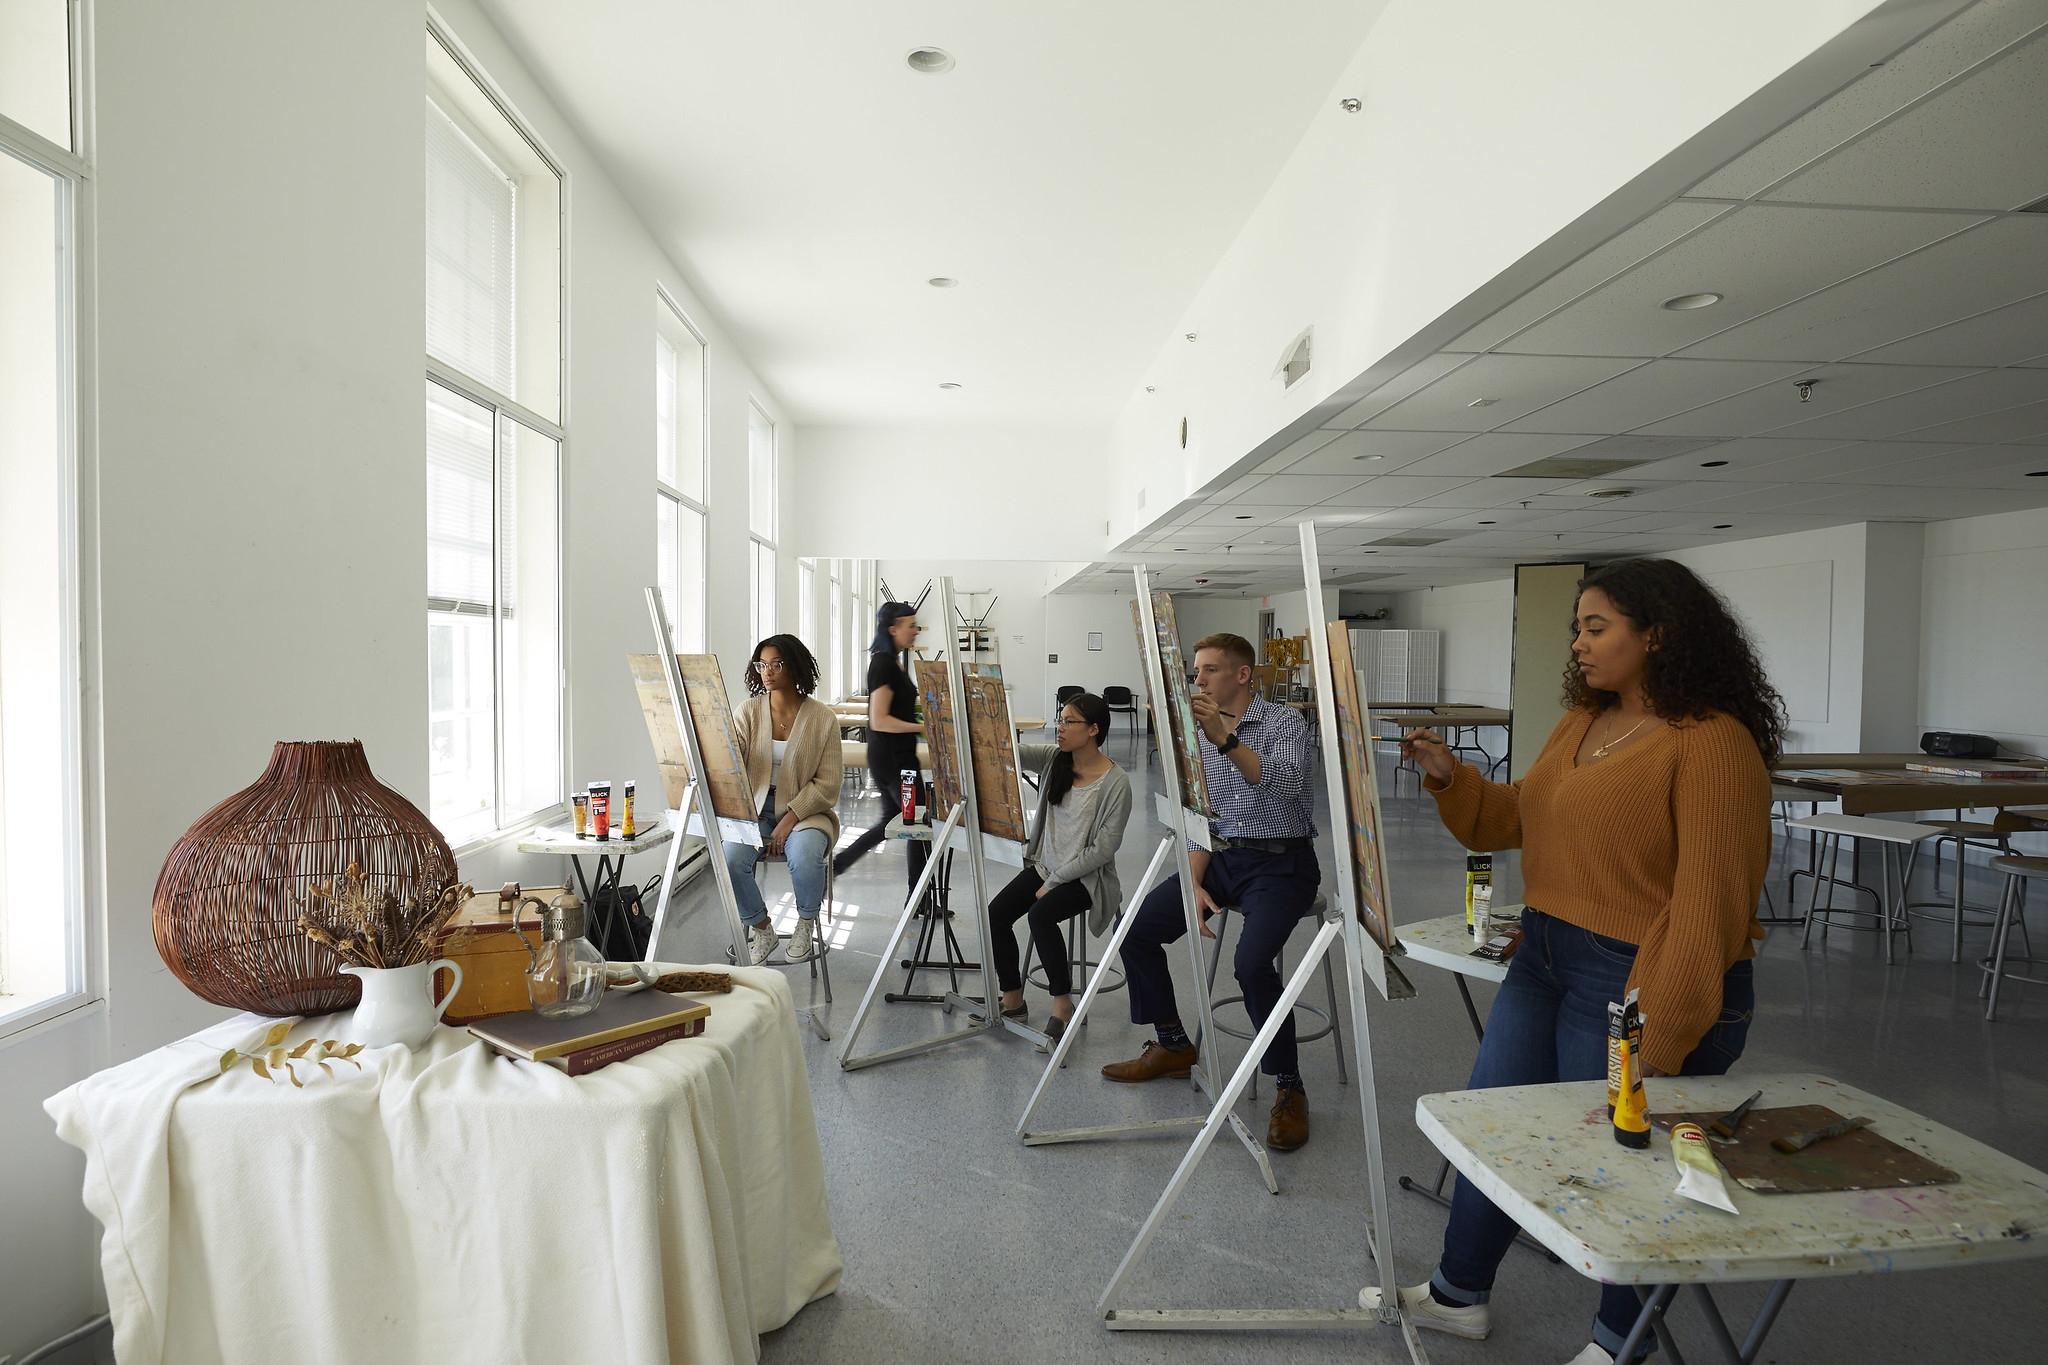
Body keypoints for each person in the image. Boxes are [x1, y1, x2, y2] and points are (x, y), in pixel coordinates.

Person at [1361, 558, 1782, 1365]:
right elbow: (1518, 815)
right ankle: (1459, 1295)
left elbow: (1710, 906)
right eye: (1577, 630)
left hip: (1636, 977)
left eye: (1598, 628)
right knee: (1496, 1128)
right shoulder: (1582, 722)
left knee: (1614, 1157)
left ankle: (1620, 1342)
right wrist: (1453, 777)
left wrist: (1651, 1042)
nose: (1580, 646)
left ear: (1658, 634)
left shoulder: (1713, 745)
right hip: (1548, 952)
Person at [1102, 632, 1320, 1152]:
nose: (1197, 680)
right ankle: (1175, 1044)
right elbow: (1200, 814)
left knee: (1250, 965)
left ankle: (1288, 1084)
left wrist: (1226, 737)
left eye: (1209, 671)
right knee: (1133, 929)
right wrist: (1195, 879)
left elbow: (1281, 785)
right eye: (1195, 671)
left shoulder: (1286, 723)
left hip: (1281, 862)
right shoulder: (1198, 735)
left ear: (1242, 675)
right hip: (1223, 857)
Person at [991, 693, 1132, 1044]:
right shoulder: (1056, 759)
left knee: (1040, 915)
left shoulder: (1116, 783)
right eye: (1060, 720)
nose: (1060, 728)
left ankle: (1062, 1004)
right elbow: (1007, 750)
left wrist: (1056, 880)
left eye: (1069, 722)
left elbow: (1104, 849)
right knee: (996, 914)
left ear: (1094, 730)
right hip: (1045, 867)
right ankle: (1013, 998)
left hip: (1085, 878)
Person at [725, 634, 842, 965]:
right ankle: (762, 928)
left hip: (807, 812)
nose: (767, 672)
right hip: (754, 811)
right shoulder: (748, 712)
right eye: (762, 664)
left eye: (776, 664)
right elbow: (730, 761)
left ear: (796, 666)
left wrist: (790, 819)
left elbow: (829, 784)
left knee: (806, 856)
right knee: (730, 859)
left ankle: (806, 924)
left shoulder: (822, 718)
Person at [831, 602, 928, 887]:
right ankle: (919, 897)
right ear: (893, 628)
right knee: (919, 825)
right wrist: (925, 728)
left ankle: (836, 866)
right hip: (896, 761)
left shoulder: (891, 660)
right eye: (911, 626)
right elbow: (880, 720)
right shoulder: (884, 664)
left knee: (891, 821)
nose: (915, 632)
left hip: (893, 757)